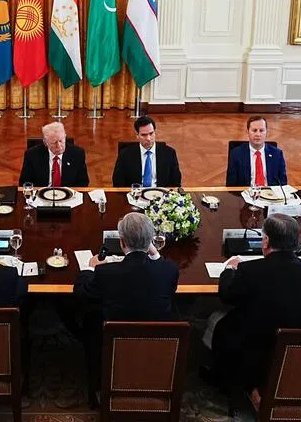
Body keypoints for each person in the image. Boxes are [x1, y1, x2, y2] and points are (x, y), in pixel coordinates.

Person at [211, 214, 301, 389]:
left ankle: (222, 379)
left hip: (258, 348)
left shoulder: (249, 270)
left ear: (266, 241)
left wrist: (230, 269)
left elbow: (227, 296)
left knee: (220, 322)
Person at [73, 213, 180, 401]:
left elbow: (81, 293)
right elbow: (165, 275)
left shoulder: (106, 273)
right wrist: (155, 254)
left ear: (122, 242)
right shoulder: (169, 270)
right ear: (151, 242)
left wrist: (89, 268)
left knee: (84, 315)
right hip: (156, 346)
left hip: (115, 348)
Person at [111, 116, 182, 188]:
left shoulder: (169, 153)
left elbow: (175, 183)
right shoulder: (125, 154)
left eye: (151, 133)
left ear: (155, 132)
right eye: (144, 135)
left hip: (160, 193)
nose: (148, 138)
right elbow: (117, 183)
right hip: (135, 193)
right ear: (137, 135)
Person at [19, 122, 89, 187]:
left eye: (61, 141)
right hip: (41, 193)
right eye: (54, 143)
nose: (59, 146)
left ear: (65, 137)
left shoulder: (78, 154)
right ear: (45, 143)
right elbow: (24, 183)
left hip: (68, 194)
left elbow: (83, 182)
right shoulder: (32, 155)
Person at [226, 116, 287, 187]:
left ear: (266, 132)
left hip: (270, 193)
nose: (258, 134)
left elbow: (283, 184)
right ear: (247, 132)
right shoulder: (236, 154)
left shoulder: (277, 154)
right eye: (254, 130)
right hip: (246, 192)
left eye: (261, 130)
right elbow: (231, 185)